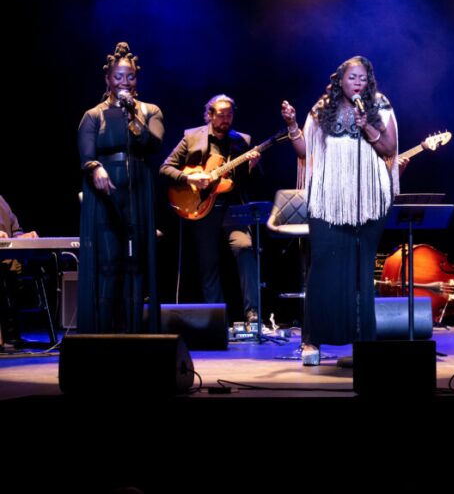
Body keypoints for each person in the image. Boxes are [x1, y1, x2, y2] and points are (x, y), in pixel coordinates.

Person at [281, 56, 398, 365]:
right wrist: (292, 125)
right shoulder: (322, 108)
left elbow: (389, 148)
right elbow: (305, 152)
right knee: (323, 269)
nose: (357, 83)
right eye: (352, 78)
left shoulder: (379, 105)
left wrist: (368, 127)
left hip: (369, 201)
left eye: (362, 78)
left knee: (362, 271)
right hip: (330, 203)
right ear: (340, 81)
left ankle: (364, 341)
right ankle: (313, 340)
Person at [77, 42, 164, 333]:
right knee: (109, 262)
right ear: (108, 79)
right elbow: (86, 155)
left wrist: (134, 118)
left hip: (137, 188)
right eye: (118, 77)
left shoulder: (149, 110)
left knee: (135, 262)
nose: (124, 82)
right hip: (106, 195)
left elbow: (153, 143)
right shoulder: (93, 115)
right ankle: (103, 331)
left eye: (130, 77)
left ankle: (135, 331)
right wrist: (95, 167)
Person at [160, 94, 261, 323]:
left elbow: (251, 182)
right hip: (201, 207)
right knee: (208, 264)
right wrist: (191, 179)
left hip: (233, 207)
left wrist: (253, 167)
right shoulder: (192, 136)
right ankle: (217, 319)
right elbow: (166, 168)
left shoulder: (242, 141)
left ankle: (252, 313)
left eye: (229, 114)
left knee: (245, 248)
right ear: (210, 114)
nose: (226, 119)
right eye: (221, 114)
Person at [1, 196, 39, 348]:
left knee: (17, 266)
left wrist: (23, 237)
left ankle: (12, 333)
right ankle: (8, 332)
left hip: (8, 255)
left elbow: (16, 231)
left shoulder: (2, 201)